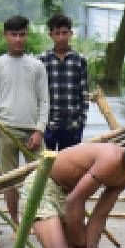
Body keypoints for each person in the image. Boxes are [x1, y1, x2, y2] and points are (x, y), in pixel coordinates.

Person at [0, 14, 50, 222]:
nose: (18, 39)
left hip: (33, 131)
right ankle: (15, 222)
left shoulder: (37, 65)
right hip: (7, 130)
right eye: (14, 35)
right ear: (5, 36)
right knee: (10, 181)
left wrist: (40, 130)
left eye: (22, 35)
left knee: (41, 178)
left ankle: (39, 220)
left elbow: (45, 100)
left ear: (27, 36)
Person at [39, 12, 89, 151]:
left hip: (73, 125)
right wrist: (40, 123)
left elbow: (84, 94)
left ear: (71, 33)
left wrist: (81, 121)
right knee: (47, 165)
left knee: (70, 167)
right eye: (57, 33)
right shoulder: (42, 60)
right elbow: (37, 94)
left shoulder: (80, 60)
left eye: (64, 33)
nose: (61, 37)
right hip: (49, 124)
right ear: (51, 35)